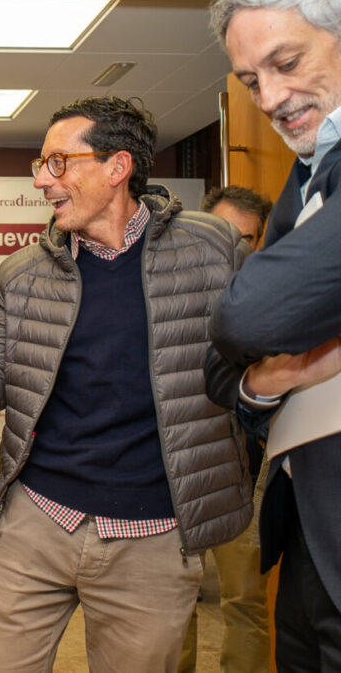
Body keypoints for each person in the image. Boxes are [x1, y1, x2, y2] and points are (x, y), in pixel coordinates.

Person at [0, 96, 253, 672]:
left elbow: (256, 352)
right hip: (35, 524)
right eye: (39, 165)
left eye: (58, 163)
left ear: (117, 168)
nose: (42, 180)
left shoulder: (211, 250)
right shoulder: (19, 275)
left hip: (152, 533)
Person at [207, 0, 341, 668]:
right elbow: (220, 369)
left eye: (286, 62)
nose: (269, 96)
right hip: (309, 523)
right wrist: (272, 375)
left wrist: (254, 346)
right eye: (252, 80)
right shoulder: (309, 171)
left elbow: (244, 314)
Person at [178, 185, 272, 673]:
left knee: (245, 603)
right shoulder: (168, 289)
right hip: (176, 478)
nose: (233, 247)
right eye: (222, 233)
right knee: (174, 612)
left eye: (246, 238)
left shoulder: (276, 302)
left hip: (240, 480)